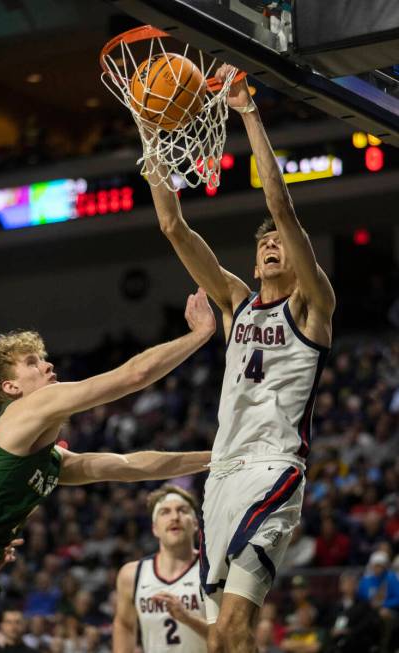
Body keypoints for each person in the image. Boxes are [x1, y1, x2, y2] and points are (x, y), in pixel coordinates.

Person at [146, 64, 335, 653]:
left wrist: (246, 111)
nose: (274, 245)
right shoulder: (236, 304)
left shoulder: (312, 306)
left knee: (231, 628)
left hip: (274, 470)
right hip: (221, 479)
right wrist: (153, 138)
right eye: (264, 246)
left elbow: (282, 209)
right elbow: (173, 226)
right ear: (252, 265)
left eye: (279, 242)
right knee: (227, 641)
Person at [0, 288, 215, 614]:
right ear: (11, 387)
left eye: (43, 358)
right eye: (32, 363)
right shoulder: (28, 406)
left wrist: (215, 458)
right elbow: (133, 375)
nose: (47, 364)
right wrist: (200, 334)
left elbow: (131, 466)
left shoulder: (53, 461)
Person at [113, 484, 207, 653]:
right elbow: (125, 625)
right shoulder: (132, 575)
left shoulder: (213, 570)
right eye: (165, 512)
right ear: (155, 528)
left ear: (195, 524)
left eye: (182, 510)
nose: (175, 517)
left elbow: (232, 635)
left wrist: (188, 618)